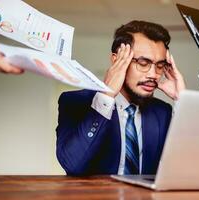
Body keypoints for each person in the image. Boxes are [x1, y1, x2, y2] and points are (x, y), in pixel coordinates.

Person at [56, 20, 186, 175]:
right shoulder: (75, 102)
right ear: (117, 59)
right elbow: (73, 165)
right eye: (143, 63)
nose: (153, 74)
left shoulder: (162, 112)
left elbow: (184, 168)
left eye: (159, 65)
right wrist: (106, 95)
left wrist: (182, 101)